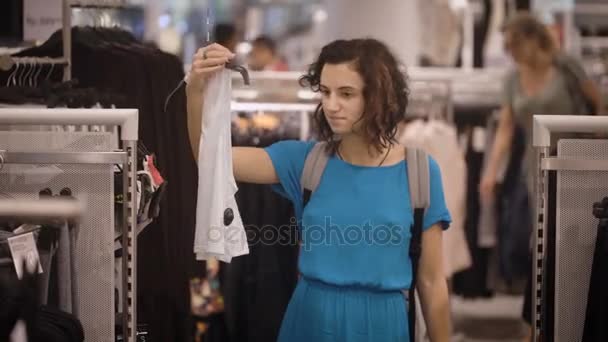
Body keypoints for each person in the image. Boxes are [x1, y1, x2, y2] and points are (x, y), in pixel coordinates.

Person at [186, 38, 451, 341]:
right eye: (325, 91)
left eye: (346, 93)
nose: (331, 105)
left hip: (383, 324)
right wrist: (196, 89)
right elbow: (211, 159)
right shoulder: (305, 162)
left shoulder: (419, 171)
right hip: (312, 319)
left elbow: (431, 282)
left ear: (378, 96)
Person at [478, 12, 603, 342]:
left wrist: (598, 150)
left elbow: (600, 105)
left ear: (530, 39)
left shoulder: (566, 66)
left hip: (577, 166)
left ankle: (573, 317)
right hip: (535, 169)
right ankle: (538, 326)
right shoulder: (512, 79)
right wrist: (490, 171)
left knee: (575, 241)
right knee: (540, 247)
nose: (509, 52)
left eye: (512, 44)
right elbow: (506, 128)